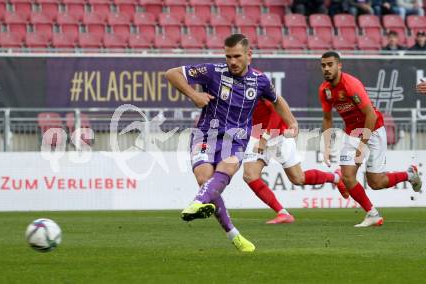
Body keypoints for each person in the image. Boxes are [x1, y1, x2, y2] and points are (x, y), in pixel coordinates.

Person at [165, 34, 298, 252]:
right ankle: (232, 233)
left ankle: (197, 203)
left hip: (236, 139)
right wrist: (193, 95)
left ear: (249, 55)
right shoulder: (212, 71)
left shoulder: (260, 80)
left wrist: (291, 121)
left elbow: (276, 100)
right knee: (204, 179)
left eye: (237, 56)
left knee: (225, 169)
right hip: (205, 134)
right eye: (228, 57)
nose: (232, 62)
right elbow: (172, 74)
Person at [319, 51, 422, 227]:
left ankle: (409, 174)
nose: (326, 69)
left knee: (376, 182)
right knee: (347, 176)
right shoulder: (325, 90)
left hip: (373, 130)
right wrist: (326, 146)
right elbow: (327, 119)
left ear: (339, 65)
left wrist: (362, 145)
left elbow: (371, 116)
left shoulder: (351, 85)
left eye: (330, 64)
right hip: (352, 133)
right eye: (323, 65)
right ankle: (372, 214)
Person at [243, 98, 349, 224]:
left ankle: (336, 178)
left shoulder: (258, 81)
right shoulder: (227, 83)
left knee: (298, 179)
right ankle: (283, 213)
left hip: (279, 135)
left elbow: (277, 110)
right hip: (256, 134)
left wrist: (265, 138)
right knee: (250, 175)